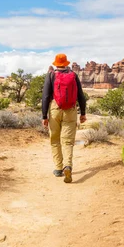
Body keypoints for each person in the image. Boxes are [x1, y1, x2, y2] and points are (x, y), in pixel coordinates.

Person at [42, 53, 87, 183]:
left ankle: (58, 168)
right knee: (67, 141)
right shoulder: (73, 75)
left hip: (55, 109)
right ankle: (68, 166)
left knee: (55, 139)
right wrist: (83, 113)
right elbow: (81, 96)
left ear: (56, 64)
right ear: (66, 63)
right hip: (71, 110)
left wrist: (44, 116)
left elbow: (45, 96)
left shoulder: (51, 75)